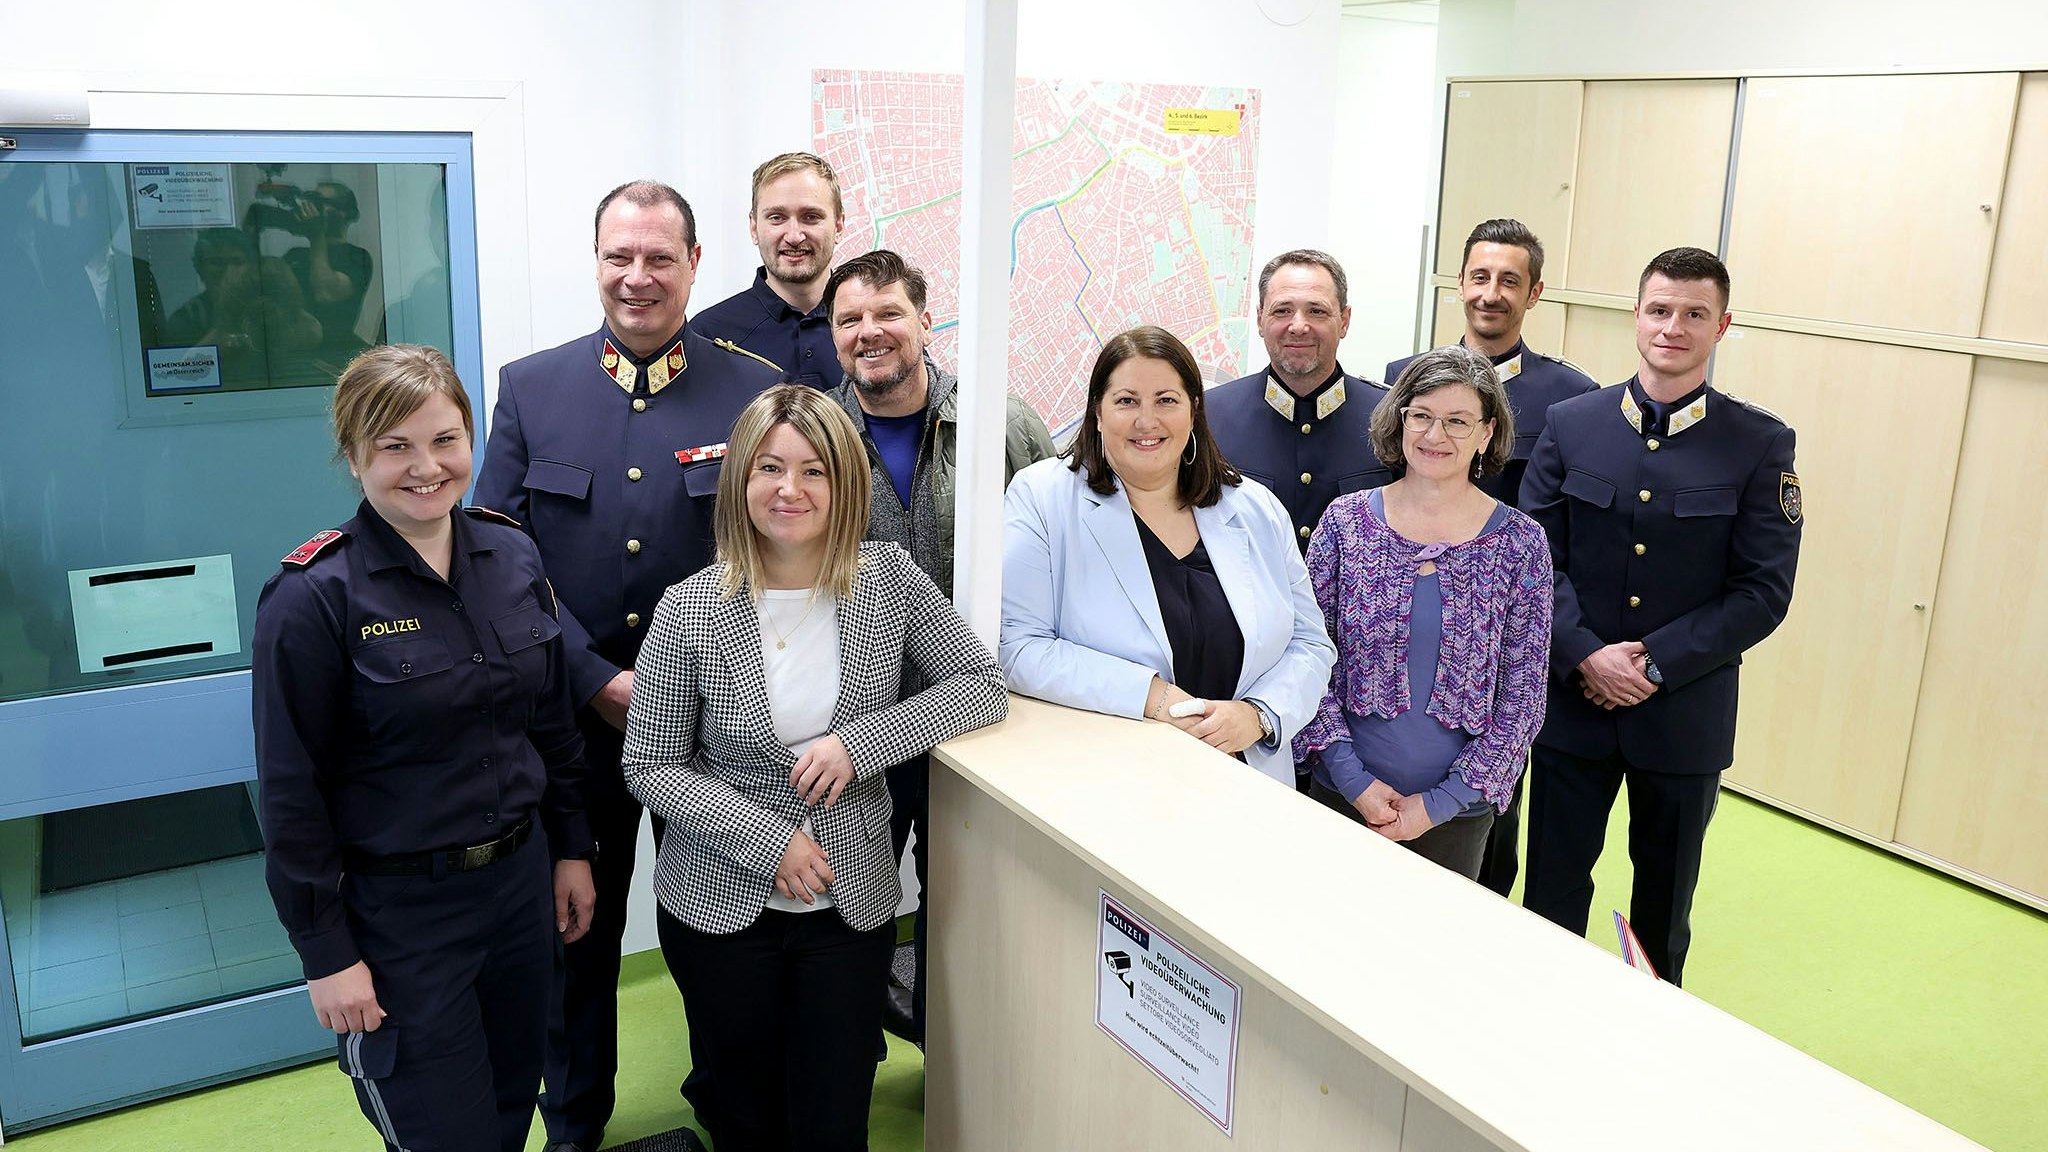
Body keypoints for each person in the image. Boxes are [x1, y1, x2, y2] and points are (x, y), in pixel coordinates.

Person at [474, 179, 781, 1152]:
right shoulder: (532, 387)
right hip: (575, 729)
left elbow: (784, 551)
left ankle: (733, 1112)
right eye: (619, 256)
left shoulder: (755, 391)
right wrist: (593, 676)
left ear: (696, 264)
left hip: (713, 729)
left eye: (659, 257)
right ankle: (573, 1129)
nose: (637, 277)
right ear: (595, 261)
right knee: (577, 941)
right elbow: (493, 557)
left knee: (724, 934)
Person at [623, 384, 1008, 1152]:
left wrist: (860, 745)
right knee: (745, 1118)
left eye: (814, 471)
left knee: (834, 1121)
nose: (790, 489)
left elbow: (979, 686)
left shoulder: (888, 578)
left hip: (851, 906)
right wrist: (769, 843)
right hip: (720, 910)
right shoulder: (688, 607)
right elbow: (652, 764)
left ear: (844, 483)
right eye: (768, 468)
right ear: (740, 483)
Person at [252, 344, 597, 1152]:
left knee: (512, 1112)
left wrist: (572, 849)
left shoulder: (510, 553)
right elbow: (290, 793)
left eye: (445, 440)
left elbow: (549, 723)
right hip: (401, 918)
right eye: (395, 446)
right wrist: (325, 952)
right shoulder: (313, 597)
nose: (426, 467)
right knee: (447, 1135)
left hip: (518, 892)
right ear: (353, 455)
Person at [1520, 247, 1802, 986]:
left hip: (1681, 717)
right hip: (1571, 708)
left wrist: (1651, 663)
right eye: (1659, 310)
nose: (1673, 327)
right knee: (1549, 895)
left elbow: (1762, 592)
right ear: (1636, 316)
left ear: (1722, 326)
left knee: (1661, 914)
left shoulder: (1759, 444)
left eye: (1693, 314)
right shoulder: (1571, 423)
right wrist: (1586, 654)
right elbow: (1532, 561)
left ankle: (1650, 1050)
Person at [823, 247, 1054, 1045]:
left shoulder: (1003, 420)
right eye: (849, 318)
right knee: (852, 912)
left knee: (969, 912)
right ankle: (847, 1064)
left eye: (887, 313)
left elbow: (1055, 545)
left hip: (983, 719)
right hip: (861, 728)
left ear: (926, 319)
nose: (870, 332)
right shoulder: (815, 434)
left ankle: (953, 1080)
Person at [1000, 325, 1335, 788]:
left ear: (1194, 410)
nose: (1147, 420)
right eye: (1126, 401)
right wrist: (1153, 698)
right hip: (1107, 781)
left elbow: (1310, 643)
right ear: (1097, 413)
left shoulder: (1255, 506)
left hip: (1243, 781)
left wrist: (1259, 716)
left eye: (1166, 400)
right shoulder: (1042, 497)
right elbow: (1016, 646)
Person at [1385, 219, 1597, 897]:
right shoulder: (1402, 380)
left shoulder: (1573, 398)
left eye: (1510, 280)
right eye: (1480, 276)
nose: (1491, 293)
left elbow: (1566, 540)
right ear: (1459, 285)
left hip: (1502, 652)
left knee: (1488, 841)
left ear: (1534, 294)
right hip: (1401, 636)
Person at [1290, 346, 1553, 879]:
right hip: (1340, 795)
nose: (1436, 436)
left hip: (1456, 816)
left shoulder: (1522, 545)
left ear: (1487, 433)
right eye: (1422, 417)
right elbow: (1304, 661)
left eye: (1458, 422)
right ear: (1400, 419)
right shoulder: (1345, 524)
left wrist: (1440, 804)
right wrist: (1354, 783)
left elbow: (1523, 695)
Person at [1207, 249, 1393, 553]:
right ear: (1259, 319)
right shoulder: (1211, 416)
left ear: (1344, 321)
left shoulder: (1391, 416)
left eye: (1316, 311)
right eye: (1282, 311)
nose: (1298, 325)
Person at [692, 152, 847, 389]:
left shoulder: (871, 331)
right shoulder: (707, 335)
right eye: (777, 218)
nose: (794, 236)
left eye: (811, 217)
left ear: (838, 225)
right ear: (754, 227)